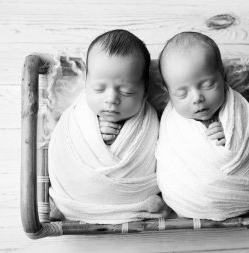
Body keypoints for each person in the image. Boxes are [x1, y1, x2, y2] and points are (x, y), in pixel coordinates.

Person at [48, 29, 168, 224]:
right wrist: (94, 134)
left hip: (133, 195)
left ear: (145, 91)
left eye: (127, 92)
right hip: (75, 186)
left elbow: (163, 154)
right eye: (99, 88)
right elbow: (64, 144)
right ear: (86, 82)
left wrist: (119, 139)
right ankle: (66, 204)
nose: (111, 99)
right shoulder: (78, 115)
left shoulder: (151, 120)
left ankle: (71, 208)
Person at [155, 32, 249, 221]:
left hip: (236, 194)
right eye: (182, 94)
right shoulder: (172, 122)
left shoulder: (235, 109)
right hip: (183, 197)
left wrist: (231, 136)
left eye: (207, 85)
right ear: (169, 94)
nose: (197, 98)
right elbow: (169, 154)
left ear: (223, 78)